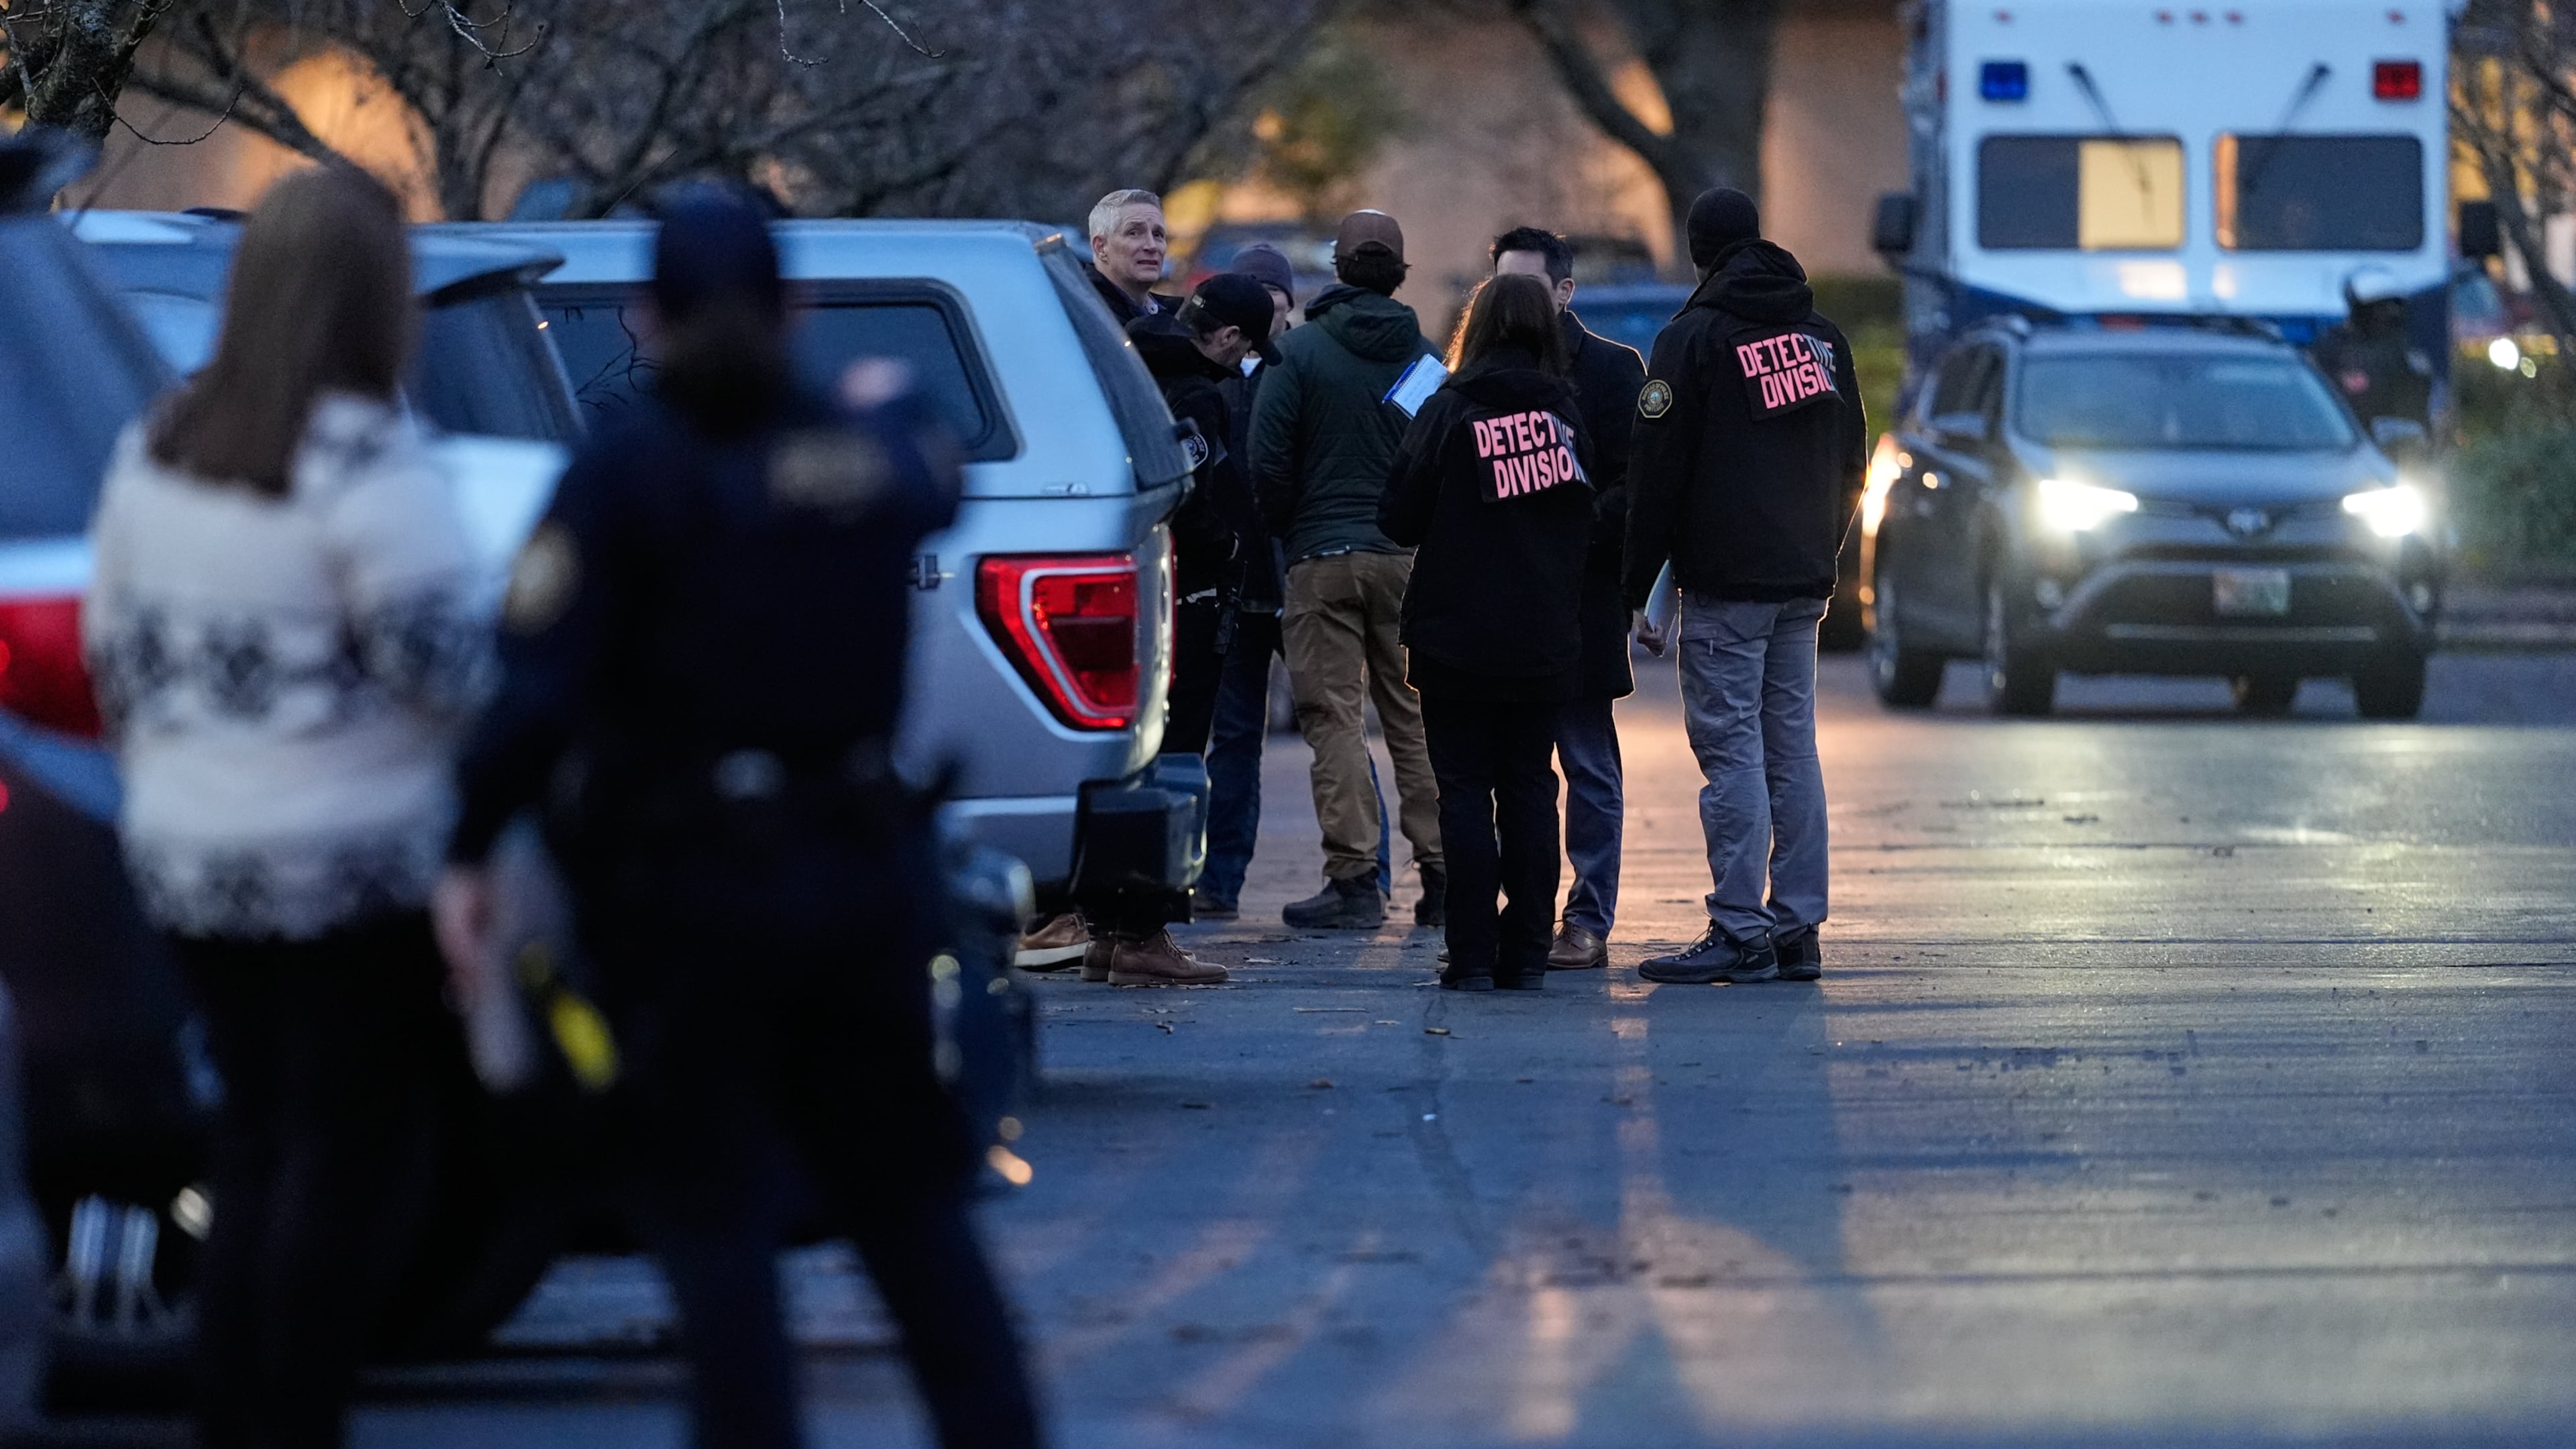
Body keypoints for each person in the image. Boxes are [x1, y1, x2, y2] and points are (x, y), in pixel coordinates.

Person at [432, 188, 1044, 1449]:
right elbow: (932, 462)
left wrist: (467, 847)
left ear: (646, 317)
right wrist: (889, 398)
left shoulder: (624, 475)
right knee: (914, 1221)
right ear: (794, 310)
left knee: (717, 1236)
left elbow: (533, 691)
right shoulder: (867, 457)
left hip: (687, 898)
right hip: (860, 877)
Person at [80, 165, 489, 1449]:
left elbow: (114, 661)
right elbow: (449, 675)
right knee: (343, 1151)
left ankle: (238, 1413)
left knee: (252, 1136)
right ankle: (298, 1415)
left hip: (191, 854)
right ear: (379, 301)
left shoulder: (155, 448)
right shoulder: (372, 464)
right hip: (349, 858)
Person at [1624, 187, 1865, 987]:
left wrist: (1639, 585)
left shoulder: (1692, 339)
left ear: (1698, 253)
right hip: (1802, 580)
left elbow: (1656, 472)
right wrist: (1819, 546)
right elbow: (1853, 457)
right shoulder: (1823, 339)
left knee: (1731, 753)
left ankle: (1739, 929)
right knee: (1791, 750)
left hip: (1728, 584)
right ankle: (1799, 929)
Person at [1379, 273, 1596, 991]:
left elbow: (1398, 518)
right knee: (1533, 788)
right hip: (1542, 635)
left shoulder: (1447, 410)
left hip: (1454, 636)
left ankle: (1470, 953)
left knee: (1463, 793)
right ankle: (1529, 949)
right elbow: (1591, 520)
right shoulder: (1568, 416)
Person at [1251, 209, 1447, 931]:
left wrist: (1293, 529)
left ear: (1335, 269)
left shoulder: (1299, 354)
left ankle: (1355, 880)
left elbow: (1266, 461)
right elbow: (1441, 459)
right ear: (1399, 274)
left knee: (1332, 717)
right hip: (1405, 563)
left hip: (1322, 559)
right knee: (1416, 716)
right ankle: (1444, 873)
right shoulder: (1425, 359)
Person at [1199, 244, 1400, 920]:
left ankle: (1367, 874)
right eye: (1250, 288)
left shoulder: (1309, 364)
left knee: (1334, 721)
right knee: (1233, 740)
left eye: (1272, 289)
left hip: (1305, 574)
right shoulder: (1219, 374)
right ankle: (1220, 882)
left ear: (1288, 300)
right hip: (1240, 582)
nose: (1264, 300)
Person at [1087, 274, 1279, 984]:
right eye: (1248, 349)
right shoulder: (1194, 392)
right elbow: (1187, 491)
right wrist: (1228, 547)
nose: (1243, 365)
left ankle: (1111, 926)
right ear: (1228, 337)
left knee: (1134, 760)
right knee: (1176, 759)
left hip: (1142, 584)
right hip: (1188, 592)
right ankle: (1145, 932)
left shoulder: (1128, 361)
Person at [1490, 226, 1647, 972]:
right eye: (1501, 288)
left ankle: (1587, 918)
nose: (1512, 304)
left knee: (1586, 764)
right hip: (1506, 600)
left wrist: (1571, 537)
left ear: (1564, 291)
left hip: (1579, 595)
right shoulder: (1479, 373)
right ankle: (1519, 914)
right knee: (1510, 770)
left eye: (1525, 287)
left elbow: (1631, 484)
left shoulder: (1613, 371)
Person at [2311, 266, 2434, 433]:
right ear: (2360, 309)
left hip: (2401, 439)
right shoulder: (2331, 347)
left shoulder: (2406, 347)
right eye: (2379, 308)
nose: (2389, 314)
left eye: (2394, 306)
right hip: (2351, 436)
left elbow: (2422, 395)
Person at [1084, 188, 1179, 325]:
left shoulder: (1169, 320)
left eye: (1158, 235)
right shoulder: (1081, 317)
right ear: (1101, 247)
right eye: (1134, 233)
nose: (1152, 246)